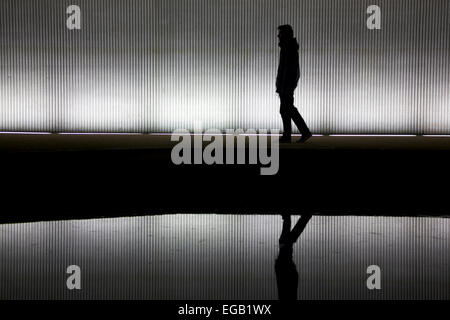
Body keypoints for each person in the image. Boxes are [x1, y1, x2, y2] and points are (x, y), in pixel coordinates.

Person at [276, 25, 312, 143]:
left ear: (285, 35)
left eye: (280, 34)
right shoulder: (288, 47)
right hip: (285, 85)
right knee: (286, 109)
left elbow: (289, 70)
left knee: (288, 109)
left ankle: (303, 132)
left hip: (286, 85)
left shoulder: (288, 49)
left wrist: (285, 86)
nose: (278, 36)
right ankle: (289, 135)